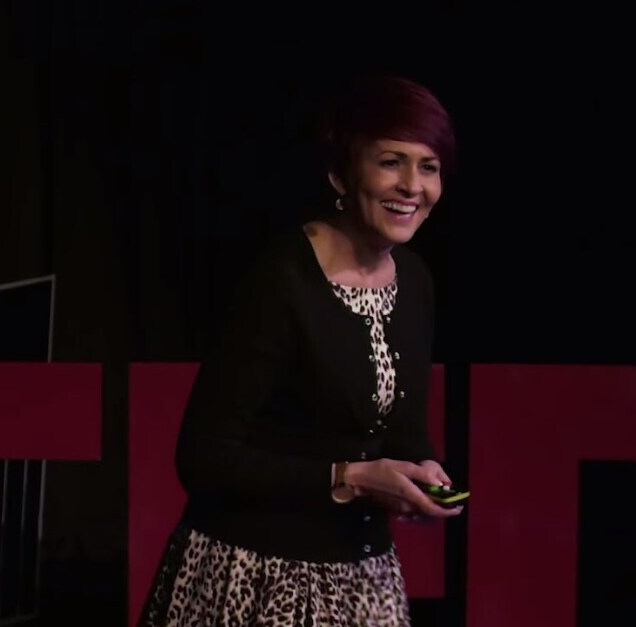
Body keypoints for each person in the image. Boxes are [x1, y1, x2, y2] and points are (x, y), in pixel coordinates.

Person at [138, 74, 463, 626]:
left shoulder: (414, 281)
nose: (412, 185)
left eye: (428, 167)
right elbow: (204, 457)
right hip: (255, 578)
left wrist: (422, 471)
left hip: (365, 581)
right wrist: (350, 477)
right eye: (391, 162)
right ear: (341, 173)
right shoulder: (281, 281)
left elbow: (402, 431)